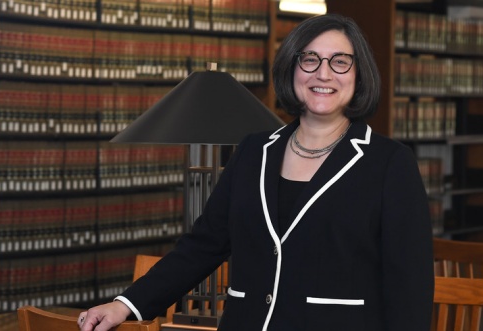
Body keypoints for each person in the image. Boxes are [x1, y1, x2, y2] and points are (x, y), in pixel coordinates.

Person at [78, 14, 434, 331]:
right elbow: (204, 245)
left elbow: (409, 286)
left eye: (340, 62)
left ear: (359, 74)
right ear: (291, 68)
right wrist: (126, 303)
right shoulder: (253, 151)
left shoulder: (390, 163)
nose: (323, 73)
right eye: (309, 60)